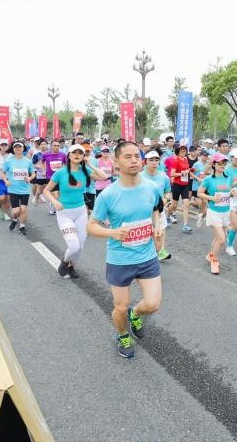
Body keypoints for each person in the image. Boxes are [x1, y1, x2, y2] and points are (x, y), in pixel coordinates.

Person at [87, 141, 164, 359]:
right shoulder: (109, 194)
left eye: (136, 156)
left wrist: (156, 226)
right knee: (119, 307)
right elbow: (91, 226)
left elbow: (156, 209)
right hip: (120, 259)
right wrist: (112, 233)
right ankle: (122, 334)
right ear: (116, 162)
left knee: (152, 304)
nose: (133, 160)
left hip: (147, 256)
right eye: (127, 157)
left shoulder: (151, 187)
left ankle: (135, 313)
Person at [45, 144, 105, 278]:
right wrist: (55, 202)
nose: (77, 155)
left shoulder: (85, 171)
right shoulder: (60, 173)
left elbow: (104, 176)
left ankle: (70, 266)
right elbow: (46, 190)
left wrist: (90, 165)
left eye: (80, 153)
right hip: (64, 213)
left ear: (84, 157)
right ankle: (65, 261)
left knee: (81, 246)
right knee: (74, 246)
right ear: (69, 155)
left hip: (81, 213)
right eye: (74, 153)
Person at [198, 153, 233, 274]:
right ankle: (214, 261)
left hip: (226, 211)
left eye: (224, 163)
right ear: (214, 164)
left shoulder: (228, 177)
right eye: (220, 163)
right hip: (214, 212)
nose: (222, 165)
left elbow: (228, 191)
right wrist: (211, 198)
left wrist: (231, 193)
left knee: (218, 239)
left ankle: (210, 255)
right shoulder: (208, 179)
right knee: (222, 240)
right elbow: (199, 193)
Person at [142, 150, 173, 260]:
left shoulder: (164, 177)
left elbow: (167, 191)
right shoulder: (140, 176)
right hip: (143, 210)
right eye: (151, 160)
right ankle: (146, 251)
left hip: (159, 209)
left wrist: (166, 199)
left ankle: (161, 251)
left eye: (156, 160)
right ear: (145, 162)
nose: (154, 162)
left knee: (161, 229)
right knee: (146, 231)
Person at [1, 141, 35, 235]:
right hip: (13, 189)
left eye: (20, 147)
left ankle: (22, 227)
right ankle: (15, 220)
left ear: (23, 148)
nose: (18, 149)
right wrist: (6, 181)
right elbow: (2, 173)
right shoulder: (9, 161)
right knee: (16, 211)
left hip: (25, 190)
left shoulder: (28, 161)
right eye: (16, 147)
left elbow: (33, 173)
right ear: (13, 149)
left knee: (23, 210)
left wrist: (29, 178)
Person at [165, 145, 194, 232]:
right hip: (177, 185)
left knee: (186, 204)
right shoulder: (176, 161)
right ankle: (167, 216)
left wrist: (190, 170)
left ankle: (185, 225)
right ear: (178, 152)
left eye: (185, 151)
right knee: (174, 205)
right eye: (182, 151)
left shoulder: (185, 159)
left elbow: (186, 169)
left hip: (185, 185)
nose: (184, 152)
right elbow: (172, 174)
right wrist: (182, 173)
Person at [42, 139, 68, 215]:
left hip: (61, 178)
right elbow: (42, 162)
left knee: (59, 195)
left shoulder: (63, 155)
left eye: (58, 146)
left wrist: (66, 173)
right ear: (51, 146)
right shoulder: (46, 154)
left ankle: (52, 204)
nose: (57, 147)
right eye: (55, 145)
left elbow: (66, 165)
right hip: (51, 178)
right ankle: (59, 211)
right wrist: (44, 170)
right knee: (56, 195)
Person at [192, 150, 210, 227]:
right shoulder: (196, 164)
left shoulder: (207, 165)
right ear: (201, 156)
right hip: (196, 186)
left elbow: (206, 174)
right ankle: (187, 203)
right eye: (205, 155)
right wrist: (198, 178)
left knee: (205, 203)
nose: (206, 157)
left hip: (204, 187)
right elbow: (191, 173)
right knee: (200, 203)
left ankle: (200, 215)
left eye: (207, 156)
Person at [31, 139, 49, 205]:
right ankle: (36, 197)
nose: (43, 146)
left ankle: (52, 206)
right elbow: (32, 164)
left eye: (45, 144)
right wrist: (38, 166)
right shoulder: (37, 155)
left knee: (48, 190)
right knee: (40, 191)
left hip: (49, 175)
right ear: (39, 146)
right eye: (42, 144)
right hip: (40, 175)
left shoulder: (50, 153)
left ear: (47, 145)